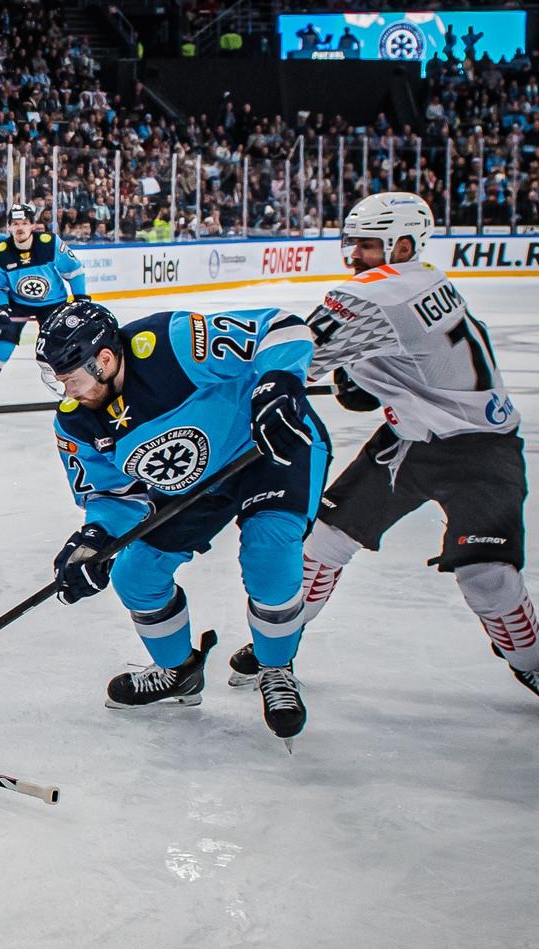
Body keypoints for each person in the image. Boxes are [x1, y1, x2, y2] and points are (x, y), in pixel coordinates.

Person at [225, 193, 539, 716]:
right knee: (322, 544)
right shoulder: (426, 279)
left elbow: (296, 356)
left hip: (479, 454)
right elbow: (420, 357)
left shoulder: (375, 293)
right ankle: (277, 649)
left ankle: (535, 665)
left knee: (488, 574)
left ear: (404, 244)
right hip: (409, 441)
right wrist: (365, 380)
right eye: (352, 244)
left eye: (370, 246)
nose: (356, 257)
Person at [38, 300, 330, 743]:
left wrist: (278, 386)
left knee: (269, 550)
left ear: (104, 359)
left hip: (268, 445)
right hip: (197, 482)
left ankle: (275, 666)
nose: (67, 391)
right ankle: (179, 673)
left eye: (71, 378)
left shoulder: (169, 344)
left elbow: (282, 326)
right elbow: (112, 496)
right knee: (136, 575)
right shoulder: (75, 421)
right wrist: (95, 540)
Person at [0, 203, 87, 409]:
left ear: (33, 225)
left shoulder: (49, 243)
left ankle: (72, 394)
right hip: (18, 305)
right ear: (9, 228)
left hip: (54, 305)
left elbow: (74, 270)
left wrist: (80, 298)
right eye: (15, 224)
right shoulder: (0, 252)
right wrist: (1, 307)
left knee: (57, 350)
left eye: (24, 223)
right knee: (0, 347)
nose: (20, 227)